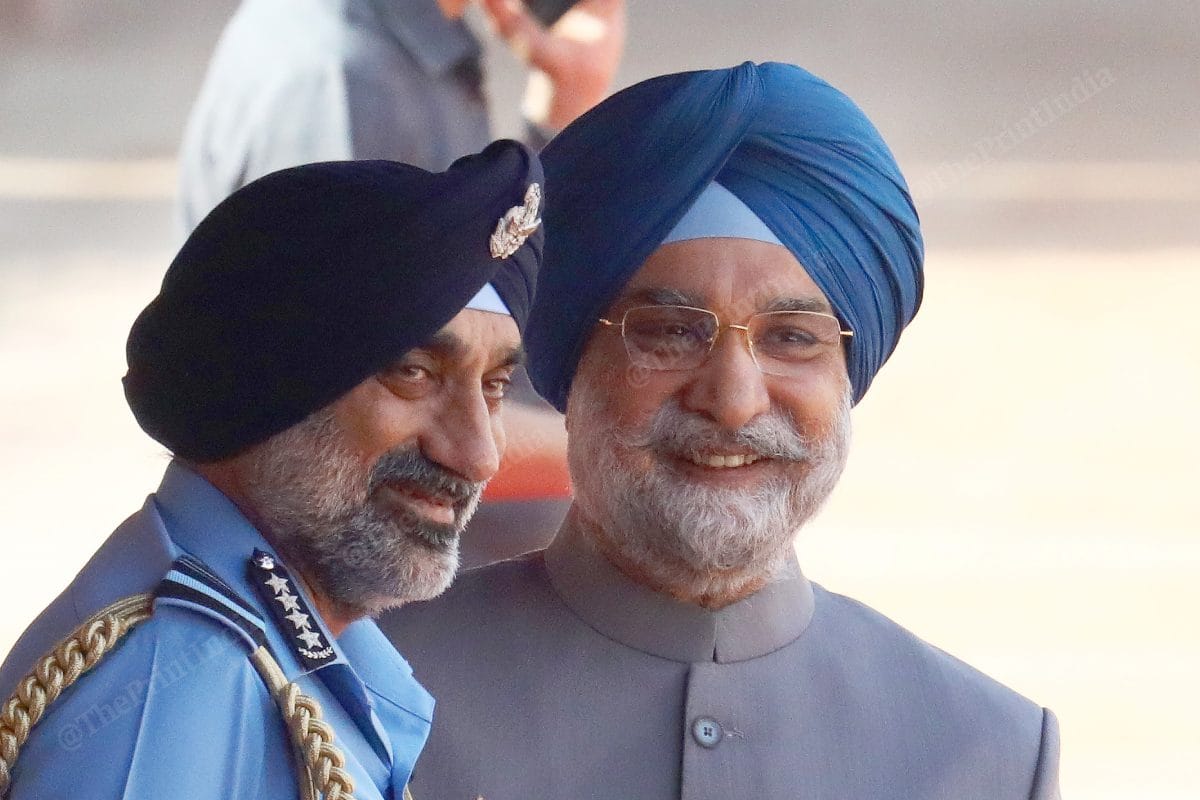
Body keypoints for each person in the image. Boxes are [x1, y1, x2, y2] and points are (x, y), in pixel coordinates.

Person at [380, 63, 1062, 800]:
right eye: (671, 333)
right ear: (572, 364)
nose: (733, 401)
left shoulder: (986, 754)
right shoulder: (363, 693)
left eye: (792, 338)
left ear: (846, 374)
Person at [0, 140, 544, 799]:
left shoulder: (275, 646)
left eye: (493, 386)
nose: (478, 454)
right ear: (273, 391)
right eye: (413, 373)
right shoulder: (169, 690)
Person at [176, 0, 624, 568]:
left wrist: (566, 105)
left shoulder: (412, 38)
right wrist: (635, 455)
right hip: (307, 568)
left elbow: (478, 310)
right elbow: (342, 418)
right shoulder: (347, 75)